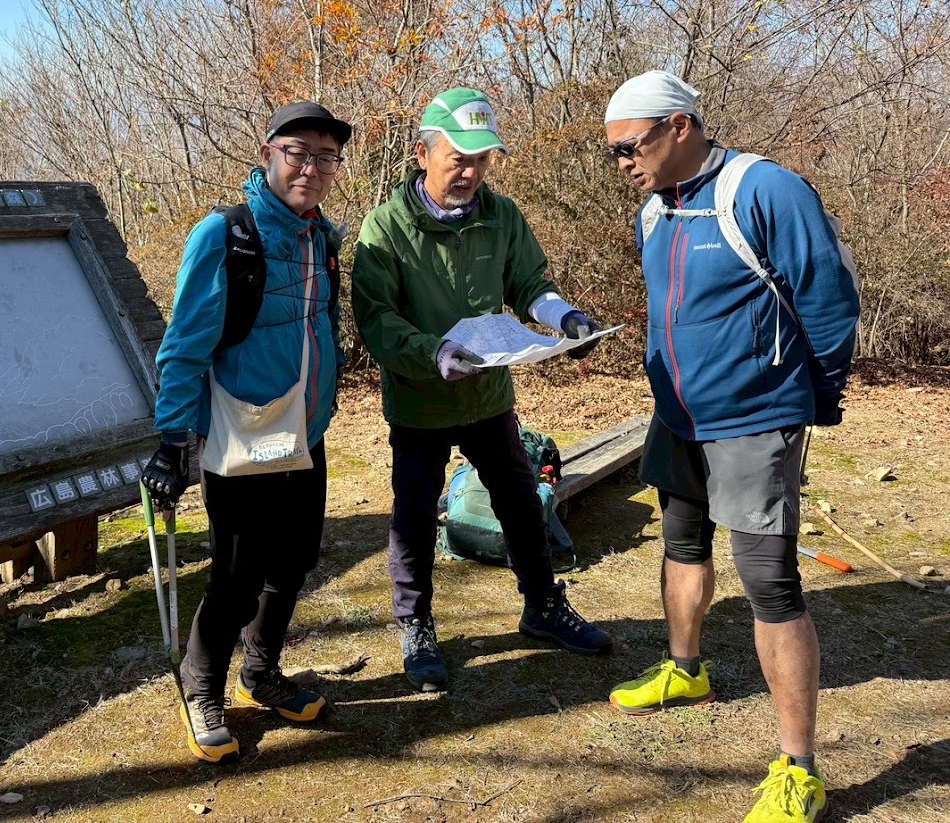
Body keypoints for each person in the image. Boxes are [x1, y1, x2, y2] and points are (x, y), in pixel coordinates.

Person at [603, 71, 859, 823]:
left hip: (754, 417)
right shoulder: (656, 208)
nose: (622, 161)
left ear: (681, 125)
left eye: (631, 145)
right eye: (612, 151)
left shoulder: (766, 190)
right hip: (677, 415)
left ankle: (799, 768)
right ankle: (686, 670)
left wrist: (816, 396)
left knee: (770, 581)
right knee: (682, 543)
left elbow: (829, 295)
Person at [351, 87, 613, 694]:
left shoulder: (501, 215)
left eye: (482, 159)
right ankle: (414, 623)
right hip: (421, 398)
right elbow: (376, 318)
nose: (471, 172)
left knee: (521, 502)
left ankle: (542, 605)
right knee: (415, 512)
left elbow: (530, 283)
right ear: (423, 154)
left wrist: (565, 317)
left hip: (488, 396)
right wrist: (433, 353)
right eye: (458, 158)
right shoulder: (386, 227)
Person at [140, 101, 350, 764]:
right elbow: (183, 348)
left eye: (325, 156)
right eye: (298, 152)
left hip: (304, 433)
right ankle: (200, 685)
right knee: (235, 576)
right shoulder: (225, 236)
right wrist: (174, 439)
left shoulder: (324, 239)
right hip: (242, 434)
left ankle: (260, 674)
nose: (311, 168)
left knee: (291, 565)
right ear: (268, 155)